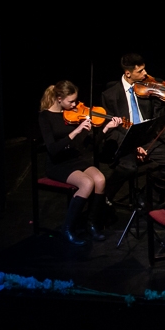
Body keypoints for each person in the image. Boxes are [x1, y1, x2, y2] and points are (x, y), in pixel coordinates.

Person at [39, 81, 121, 245]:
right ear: (59, 99)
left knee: (100, 179)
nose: (74, 105)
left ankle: (91, 224)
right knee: (86, 183)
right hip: (58, 163)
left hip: (75, 159)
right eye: (71, 101)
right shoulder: (45, 117)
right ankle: (67, 228)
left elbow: (88, 146)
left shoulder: (71, 114)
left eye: (75, 101)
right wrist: (76, 131)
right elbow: (53, 149)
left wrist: (106, 129)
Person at [101, 53, 165, 206]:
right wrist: (133, 146)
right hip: (125, 141)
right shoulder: (110, 95)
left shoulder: (147, 88)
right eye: (140, 71)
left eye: (144, 69)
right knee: (128, 167)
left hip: (146, 138)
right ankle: (105, 197)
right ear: (128, 73)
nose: (145, 73)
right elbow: (111, 130)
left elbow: (159, 116)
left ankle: (146, 196)